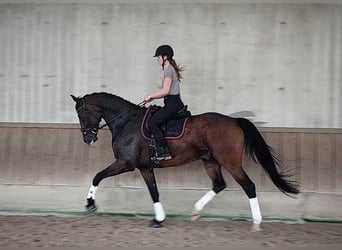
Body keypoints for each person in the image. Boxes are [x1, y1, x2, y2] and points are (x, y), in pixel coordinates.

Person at [144, 45, 185, 161]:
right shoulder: (170, 68)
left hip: (173, 103)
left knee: (153, 122)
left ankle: (164, 150)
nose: (157, 59)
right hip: (172, 102)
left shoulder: (168, 70)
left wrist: (150, 96)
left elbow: (166, 91)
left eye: (158, 57)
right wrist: (152, 98)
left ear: (165, 57)